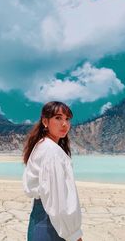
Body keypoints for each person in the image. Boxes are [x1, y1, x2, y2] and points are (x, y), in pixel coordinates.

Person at [22, 101, 83, 241]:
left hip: (40, 219)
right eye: (58, 118)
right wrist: (73, 234)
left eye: (67, 119)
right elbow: (57, 200)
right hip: (52, 224)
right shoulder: (51, 151)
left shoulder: (42, 145)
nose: (64, 124)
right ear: (45, 121)